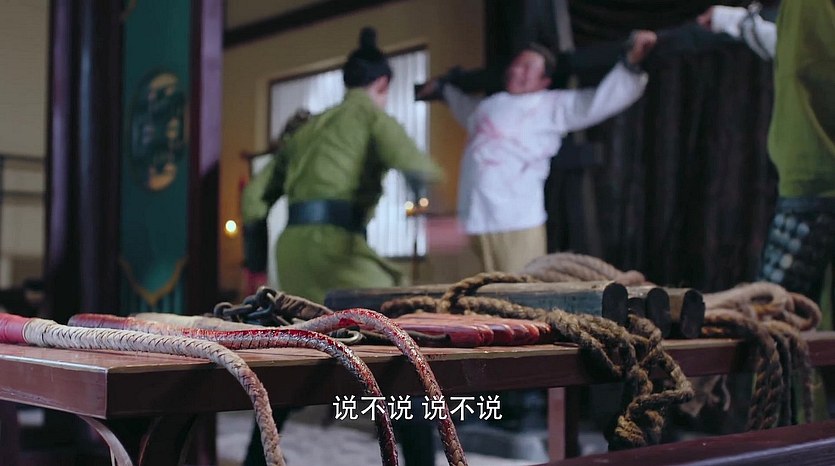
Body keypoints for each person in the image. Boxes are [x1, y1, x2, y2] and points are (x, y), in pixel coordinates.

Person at [239, 27, 443, 465]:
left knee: (297, 351)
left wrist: (255, 259)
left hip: (293, 252)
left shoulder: (308, 128)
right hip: (337, 251)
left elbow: (254, 196)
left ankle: (256, 459)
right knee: (400, 348)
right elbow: (414, 163)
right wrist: (439, 214)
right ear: (382, 84)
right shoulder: (369, 115)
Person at [418, 32, 657, 273]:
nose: (517, 70)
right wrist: (443, 89)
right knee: (475, 290)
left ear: (544, 81)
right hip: (474, 218)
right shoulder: (487, 106)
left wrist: (630, 65)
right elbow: (463, 107)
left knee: (519, 289)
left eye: (527, 68)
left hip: (516, 221)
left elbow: (597, 102)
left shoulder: (551, 105)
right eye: (516, 64)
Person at [697, 2, 835, 309]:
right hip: (812, 175)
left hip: (815, 177)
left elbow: (807, 59)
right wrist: (731, 20)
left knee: (770, 310)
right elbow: (793, 49)